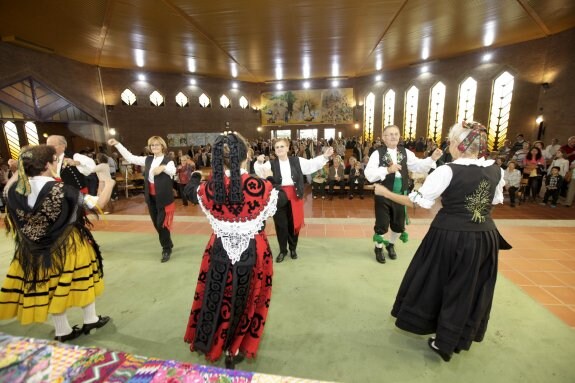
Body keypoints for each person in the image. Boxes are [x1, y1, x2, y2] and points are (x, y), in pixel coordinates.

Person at [374, 121, 511, 362]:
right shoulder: (496, 170)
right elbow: (492, 201)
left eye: (450, 142)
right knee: (469, 287)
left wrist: (385, 193)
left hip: (450, 236)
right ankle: (452, 338)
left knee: (436, 283)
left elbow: (418, 202)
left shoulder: (447, 170)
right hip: (484, 237)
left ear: (457, 145)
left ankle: (441, 337)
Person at [183, 133, 279, 369]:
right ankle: (235, 347)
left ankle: (213, 340)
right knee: (248, 297)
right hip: (254, 251)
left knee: (217, 294)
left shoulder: (209, 188)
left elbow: (190, 191)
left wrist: (195, 176)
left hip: (219, 249)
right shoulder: (261, 187)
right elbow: (281, 200)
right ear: (247, 156)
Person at [0, 145, 115, 342]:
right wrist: (109, 182)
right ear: (47, 165)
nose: (57, 162)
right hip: (67, 245)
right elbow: (97, 204)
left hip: (32, 249)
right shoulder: (62, 189)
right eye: (55, 159)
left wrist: (18, 170)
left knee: (49, 285)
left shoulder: (13, 191)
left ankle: (63, 330)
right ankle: (90, 319)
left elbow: (8, 191)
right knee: (83, 280)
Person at [364, 125, 442, 264]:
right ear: (384, 137)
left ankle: (391, 245)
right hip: (383, 194)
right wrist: (387, 170)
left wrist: (432, 158)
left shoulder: (405, 152)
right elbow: (369, 175)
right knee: (382, 223)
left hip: (401, 195)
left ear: (399, 136)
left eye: (396, 134)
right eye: (390, 134)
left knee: (398, 224)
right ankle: (378, 247)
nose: (394, 136)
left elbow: (419, 166)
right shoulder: (378, 153)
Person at [254, 138, 333, 262]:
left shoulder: (297, 161)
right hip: (278, 197)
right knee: (281, 225)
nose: (279, 149)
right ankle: (282, 251)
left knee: (293, 225)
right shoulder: (271, 164)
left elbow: (312, 164)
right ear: (274, 150)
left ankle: (292, 249)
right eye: (277, 147)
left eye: (281, 146)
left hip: (295, 196)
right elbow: (260, 171)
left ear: (287, 148)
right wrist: (258, 162)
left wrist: (324, 156)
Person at [108, 136, 176, 263]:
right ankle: (168, 243)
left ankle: (166, 248)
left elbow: (173, 171)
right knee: (157, 224)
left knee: (162, 224)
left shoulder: (168, 160)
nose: (154, 147)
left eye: (157, 145)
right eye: (152, 145)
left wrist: (163, 168)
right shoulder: (148, 159)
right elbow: (130, 158)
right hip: (151, 197)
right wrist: (117, 144)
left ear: (162, 146)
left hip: (164, 198)